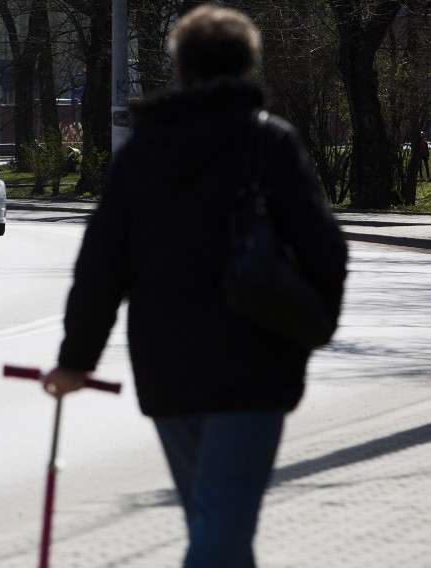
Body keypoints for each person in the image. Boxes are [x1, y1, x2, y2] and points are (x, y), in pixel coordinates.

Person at [43, 6, 347, 567]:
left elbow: (101, 267)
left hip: (168, 369)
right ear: (248, 68)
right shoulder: (269, 144)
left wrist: (75, 360)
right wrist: (310, 325)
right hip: (257, 365)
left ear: (180, 70)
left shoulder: (140, 153)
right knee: (222, 527)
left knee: (216, 525)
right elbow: (327, 250)